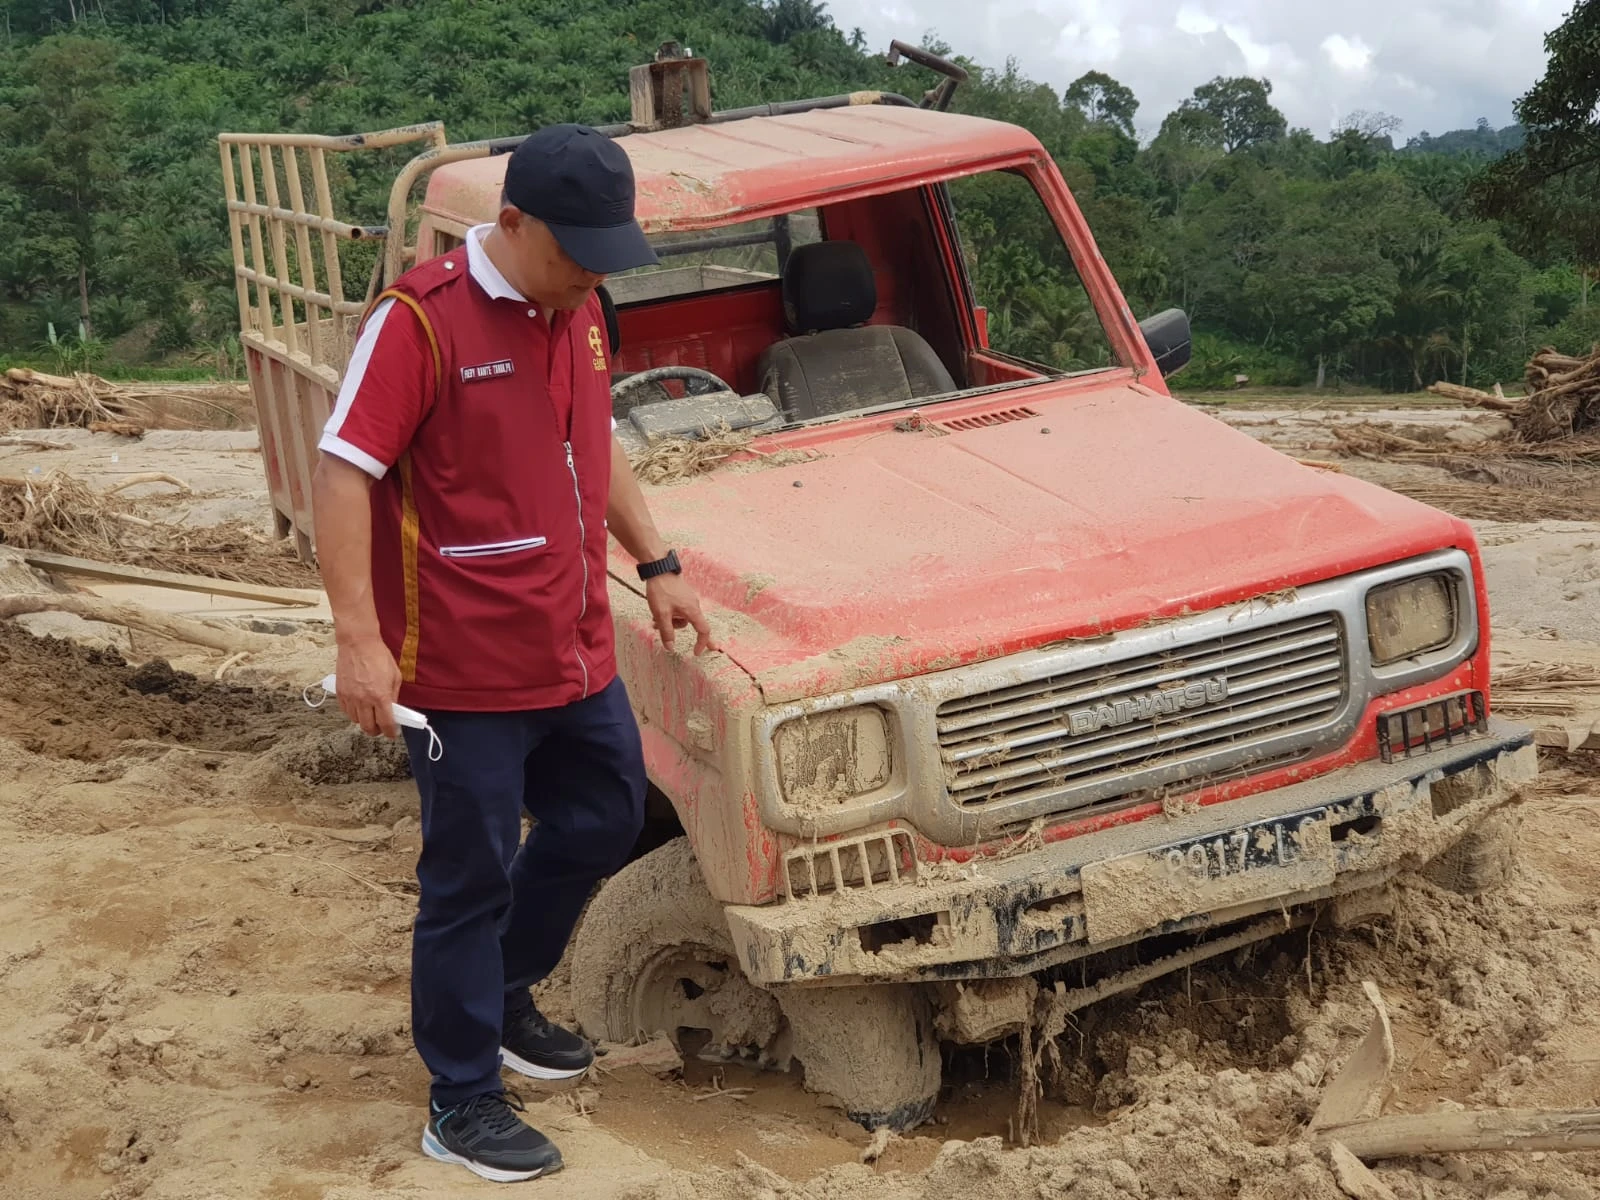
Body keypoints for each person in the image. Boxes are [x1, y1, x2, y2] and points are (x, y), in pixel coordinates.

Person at [310, 123, 716, 1184]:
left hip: (574, 648)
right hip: (458, 669)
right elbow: (344, 472)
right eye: (574, 251)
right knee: (469, 874)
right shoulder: (420, 323)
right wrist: (359, 640)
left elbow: (598, 445)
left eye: (605, 255)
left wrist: (658, 559)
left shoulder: (579, 315)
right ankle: (459, 1099)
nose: (590, 275)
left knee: (604, 815)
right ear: (512, 222)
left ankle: (500, 994)